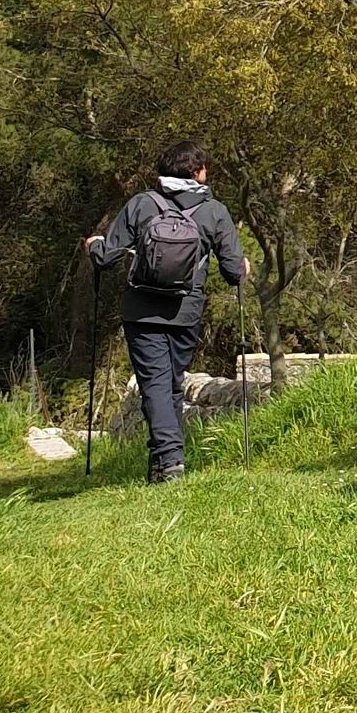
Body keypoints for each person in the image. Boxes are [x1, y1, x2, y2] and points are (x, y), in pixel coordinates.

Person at [85, 139, 248, 483]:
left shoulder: (142, 204)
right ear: (198, 172)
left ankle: (167, 463)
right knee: (168, 384)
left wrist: (94, 245)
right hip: (185, 311)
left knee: (159, 386)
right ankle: (169, 462)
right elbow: (233, 272)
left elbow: (105, 257)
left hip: (141, 311)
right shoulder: (214, 211)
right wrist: (243, 267)